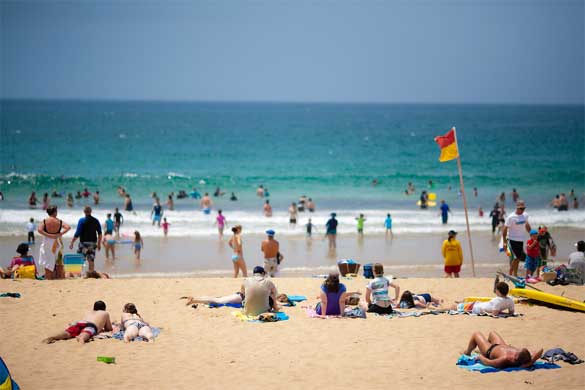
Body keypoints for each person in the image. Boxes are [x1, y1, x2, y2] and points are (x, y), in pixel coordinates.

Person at [43, 301, 113, 344]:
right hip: (91, 325)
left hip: (80, 322)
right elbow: (109, 328)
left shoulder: (89, 312)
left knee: (68, 333)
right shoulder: (105, 313)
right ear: (104, 308)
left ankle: (54, 337)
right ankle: (81, 338)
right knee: (86, 333)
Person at [463, 331, 542, 368]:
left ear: (515, 358)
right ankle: (482, 347)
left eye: (515, 353)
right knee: (492, 333)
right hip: (501, 345)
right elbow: (540, 351)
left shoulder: (504, 359)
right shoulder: (524, 358)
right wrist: (532, 361)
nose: (514, 351)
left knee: (476, 334)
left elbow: (489, 363)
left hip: (489, 350)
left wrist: (480, 357)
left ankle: (468, 352)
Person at [38, 205, 71, 280]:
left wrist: (49, 235)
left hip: (47, 242)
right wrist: (60, 234)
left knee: (48, 260)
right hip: (57, 241)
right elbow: (68, 227)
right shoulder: (59, 221)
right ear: (55, 212)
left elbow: (39, 230)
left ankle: (48, 278)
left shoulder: (45, 221)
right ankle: (60, 277)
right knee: (59, 260)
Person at [502, 200, 531, 277]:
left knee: (517, 259)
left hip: (521, 240)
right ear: (517, 208)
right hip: (512, 240)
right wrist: (504, 242)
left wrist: (531, 234)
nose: (522, 210)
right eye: (521, 208)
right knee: (516, 258)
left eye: (523, 208)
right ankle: (511, 274)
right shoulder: (511, 217)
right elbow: (504, 230)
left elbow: (527, 225)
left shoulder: (525, 215)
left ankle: (514, 274)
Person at [69, 206, 102, 272]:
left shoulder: (81, 220)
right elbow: (100, 233)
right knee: (91, 259)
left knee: (80, 259)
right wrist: (99, 244)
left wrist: (72, 242)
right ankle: (91, 273)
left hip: (83, 244)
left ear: (84, 212)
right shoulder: (96, 221)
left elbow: (77, 233)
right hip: (92, 244)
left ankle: (78, 274)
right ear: (91, 211)